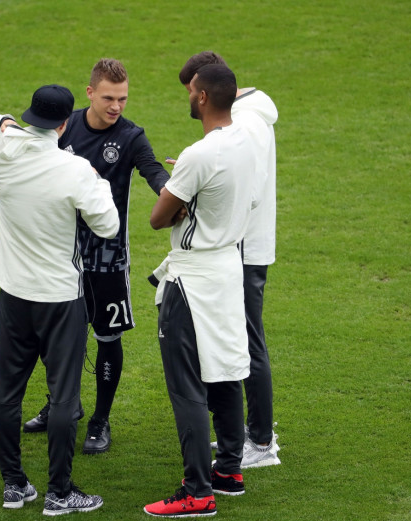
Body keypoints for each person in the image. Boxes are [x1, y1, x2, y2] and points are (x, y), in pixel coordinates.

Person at [0, 85, 118, 513]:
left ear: (29, 117)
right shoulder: (74, 169)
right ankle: (59, 492)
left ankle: (14, 485)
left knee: (6, 394)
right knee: (65, 397)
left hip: (13, 293)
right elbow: (107, 226)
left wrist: (6, 125)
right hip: (59, 297)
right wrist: (96, 180)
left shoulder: (3, 155)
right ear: (65, 122)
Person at [23, 59, 170, 456]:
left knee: (107, 337)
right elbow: (23, 157)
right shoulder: (62, 127)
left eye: (122, 98)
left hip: (107, 258)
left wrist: (177, 190)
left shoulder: (131, 136)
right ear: (90, 93)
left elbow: (154, 173)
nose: (116, 106)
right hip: (59, 253)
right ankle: (60, 404)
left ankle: (100, 421)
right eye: (108, 97)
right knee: (54, 337)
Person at [143, 64, 257, 518]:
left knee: (187, 386)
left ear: (204, 97)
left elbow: (158, 217)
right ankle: (229, 470)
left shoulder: (198, 155)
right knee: (227, 371)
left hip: (191, 278)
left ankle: (197, 491)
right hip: (229, 267)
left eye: (191, 91)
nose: (187, 96)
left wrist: (181, 192)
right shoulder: (248, 140)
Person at [177, 51, 280, 469]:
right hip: (242, 244)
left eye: (193, 91)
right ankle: (250, 435)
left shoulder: (248, 124)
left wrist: (199, 192)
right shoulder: (248, 115)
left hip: (242, 248)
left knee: (247, 341)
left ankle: (260, 442)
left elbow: (248, 190)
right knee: (241, 339)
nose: (193, 99)